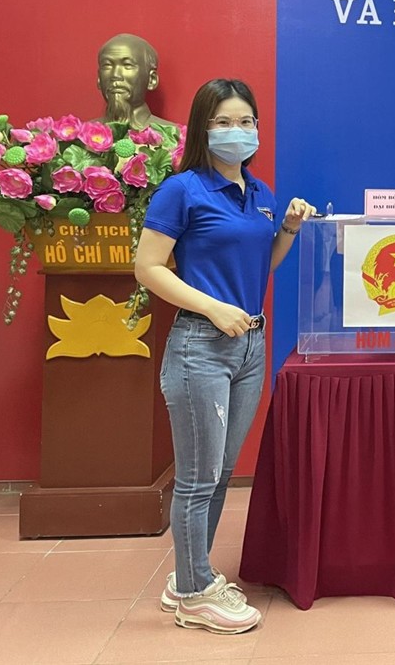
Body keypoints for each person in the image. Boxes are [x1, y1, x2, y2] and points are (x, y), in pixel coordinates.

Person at [134, 78, 315, 634]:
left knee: (219, 473)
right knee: (196, 477)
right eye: (223, 122)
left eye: (246, 122)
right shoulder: (182, 190)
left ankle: (191, 575)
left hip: (250, 345)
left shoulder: (260, 194)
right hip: (201, 346)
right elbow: (148, 268)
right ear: (202, 128)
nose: (237, 132)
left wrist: (287, 230)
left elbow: (261, 265)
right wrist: (213, 308)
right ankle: (194, 593)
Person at [96, 33, 178, 130]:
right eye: (107, 65)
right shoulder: (82, 136)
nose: (115, 75)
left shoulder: (173, 135)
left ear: (151, 79)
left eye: (127, 65)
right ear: (99, 79)